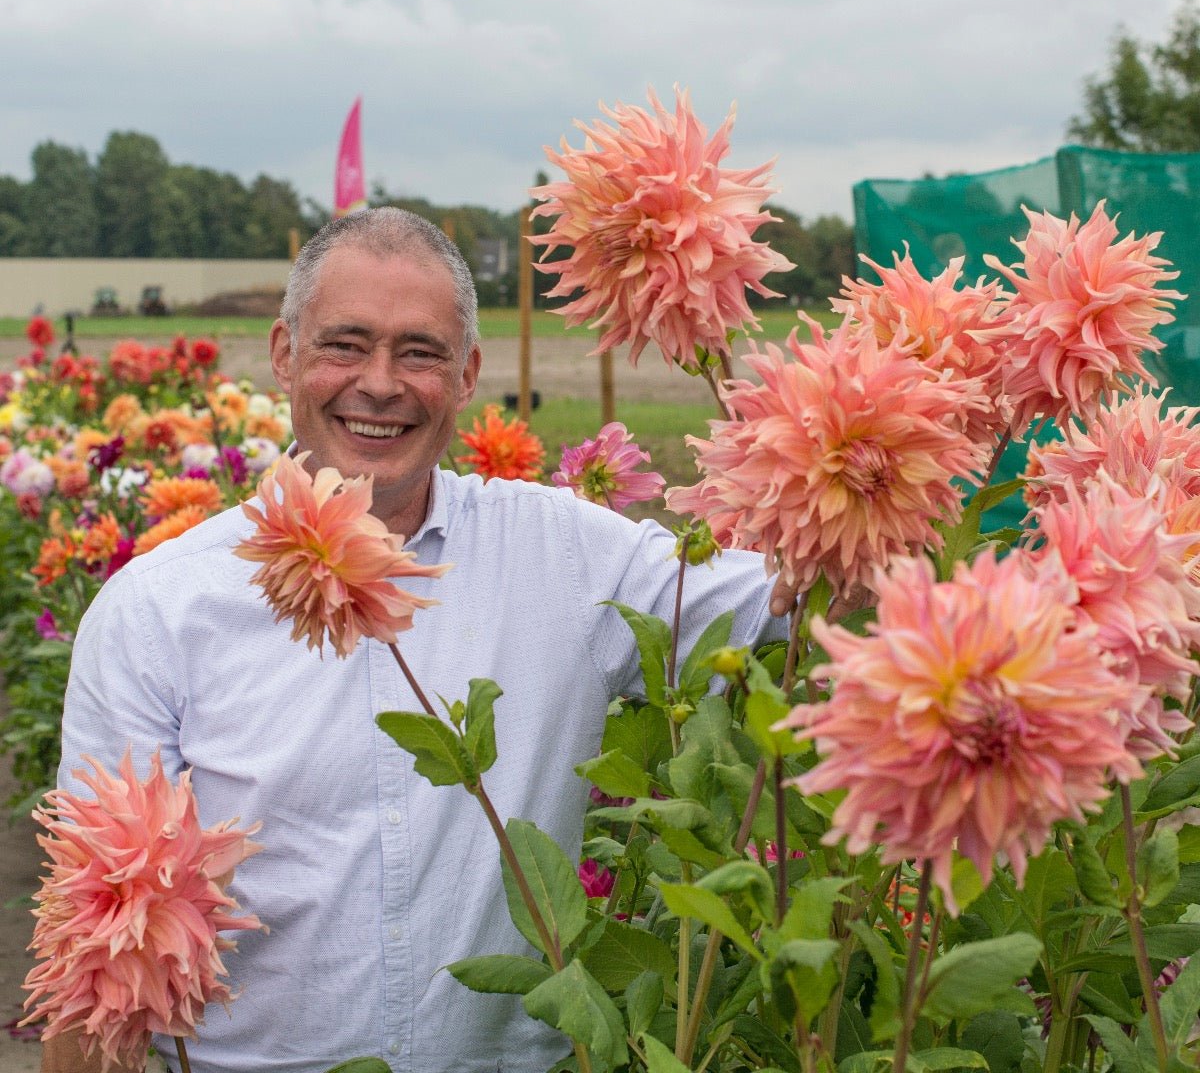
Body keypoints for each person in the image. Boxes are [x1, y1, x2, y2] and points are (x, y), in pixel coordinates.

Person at [47, 208, 790, 1073]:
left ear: (469, 372)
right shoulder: (159, 610)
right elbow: (99, 932)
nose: (381, 383)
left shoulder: (568, 556)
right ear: (284, 354)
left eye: (420, 353)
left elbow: (793, 592)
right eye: (345, 345)